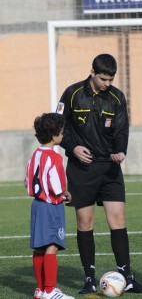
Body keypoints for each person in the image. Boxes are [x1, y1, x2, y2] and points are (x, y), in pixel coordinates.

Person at [56, 53, 142, 294]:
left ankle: (127, 276)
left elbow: (121, 129)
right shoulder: (72, 93)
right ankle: (89, 278)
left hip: (109, 169)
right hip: (81, 168)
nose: (108, 83)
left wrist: (120, 151)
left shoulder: (117, 98)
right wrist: (73, 148)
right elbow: (58, 125)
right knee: (85, 222)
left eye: (111, 79)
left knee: (118, 220)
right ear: (93, 72)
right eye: (104, 79)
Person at [25, 113, 75, 299]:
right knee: (52, 246)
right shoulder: (55, 158)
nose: (62, 135)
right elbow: (55, 186)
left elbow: (27, 181)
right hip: (51, 206)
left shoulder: (35, 155)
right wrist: (65, 193)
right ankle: (49, 290)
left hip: (37, 205)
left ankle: (39, 290)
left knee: (39, 247)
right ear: (55, 136)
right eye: (61, 132)